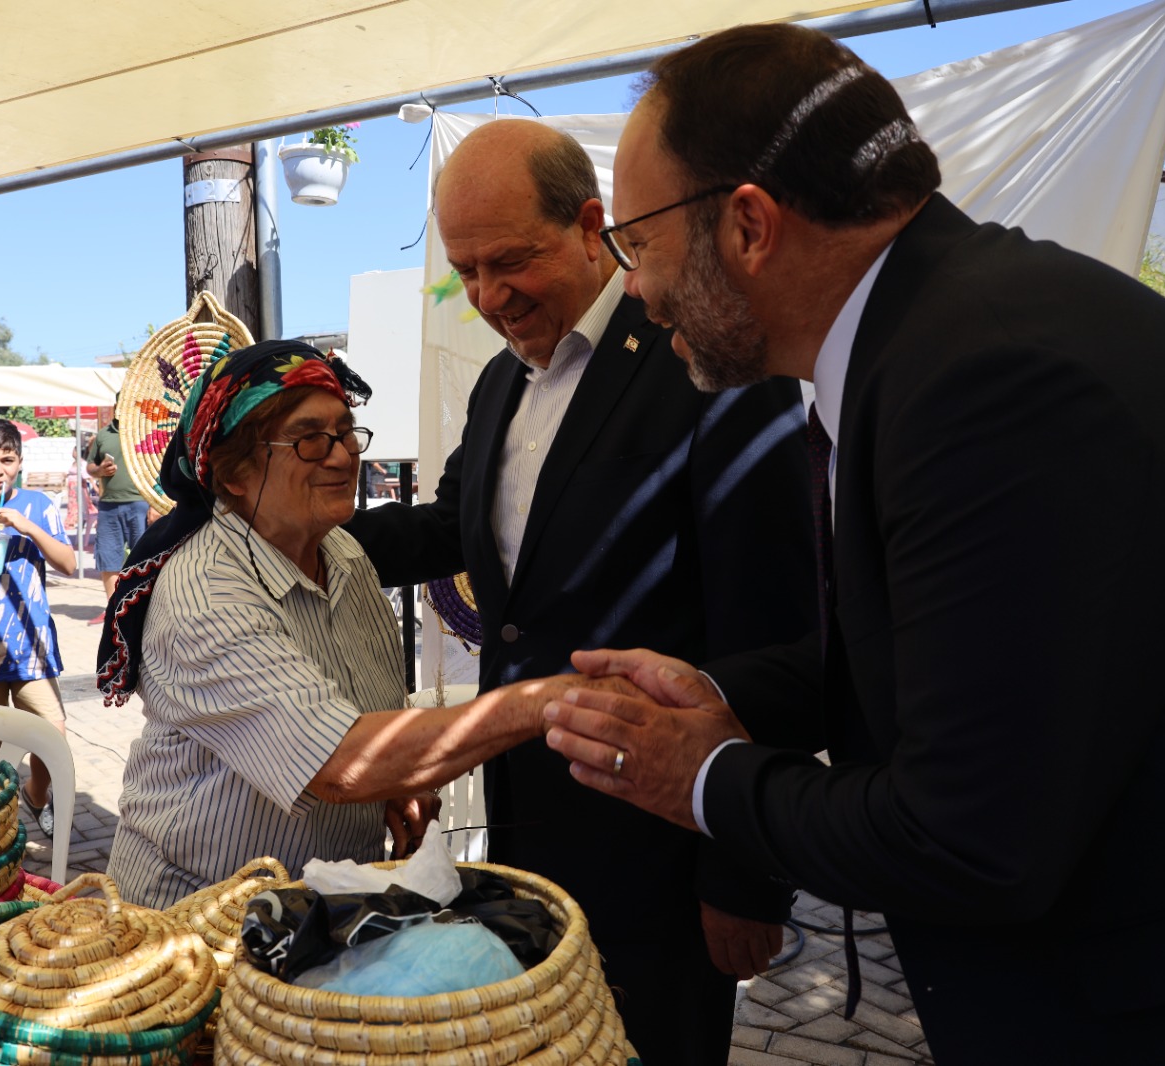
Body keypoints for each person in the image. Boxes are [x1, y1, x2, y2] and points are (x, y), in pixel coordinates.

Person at [537, 23, 1165, 1065]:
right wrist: (719, 694)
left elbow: (970, 837)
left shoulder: (986, 383)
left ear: (748, 225)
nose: (633, 288)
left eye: (636, 243)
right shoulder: (937, 338)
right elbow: (936, 661)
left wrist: (704, 777)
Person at [343, 120, 816, 1064]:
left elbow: (772, 634)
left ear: (592, 226)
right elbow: (451, 528)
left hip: (663, 841)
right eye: (466, 272)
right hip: (528, 832)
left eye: (512, 261)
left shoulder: (705, 361)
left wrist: (745, 873)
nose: (489, 297)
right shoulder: (498, 385)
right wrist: (288, 533)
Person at [96, 341, 636, 909]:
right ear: (233, 474)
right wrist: (544, 701)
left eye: (346, 432)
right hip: (194, 915)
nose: (342, 456)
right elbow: (341, 764)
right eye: (309, 439)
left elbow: (363, 724)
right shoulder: (205, 592)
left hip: (315, 904)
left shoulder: (344, 555)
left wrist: (396, 785)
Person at [0, 418, 77, 837]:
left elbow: (68, 564)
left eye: (7, 460)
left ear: (20, 461)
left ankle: (36, 793)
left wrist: (26, 527)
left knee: (51, 736)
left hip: (32, 645)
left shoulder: (38, 504)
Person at [85, 398, 150, 624]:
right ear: (115, 406)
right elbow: (90, 466)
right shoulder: (103, 435)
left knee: (144, 559)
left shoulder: (144, 431)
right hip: (108, 505)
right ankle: (114, 610)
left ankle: (143, 609)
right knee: (108, 558)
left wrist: (154, 504)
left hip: (141, 503)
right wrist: (99, 470)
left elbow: (157, 466)